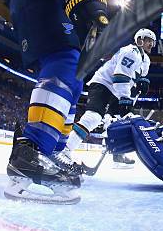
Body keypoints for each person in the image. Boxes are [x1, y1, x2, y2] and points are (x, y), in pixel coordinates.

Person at [2, 0, 141, 203]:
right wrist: (82, 0)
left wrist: (96, 19)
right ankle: (32, 152)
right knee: (64, 64)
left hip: (52, 1)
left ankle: (52, 153)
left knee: (74, 75)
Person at [65, 28, 155, 167]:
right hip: (103, 84)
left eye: (152, 42)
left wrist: (140, 84)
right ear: (140, 40)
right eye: (148, 40)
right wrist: (125, 99)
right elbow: (120, 77)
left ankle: (117, 156)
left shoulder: (146, 60)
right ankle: (65, 150)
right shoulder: (131, 52)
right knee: (93, 117)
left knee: (117, 122)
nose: (151, 44)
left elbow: (133, 79)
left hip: (116, 90)